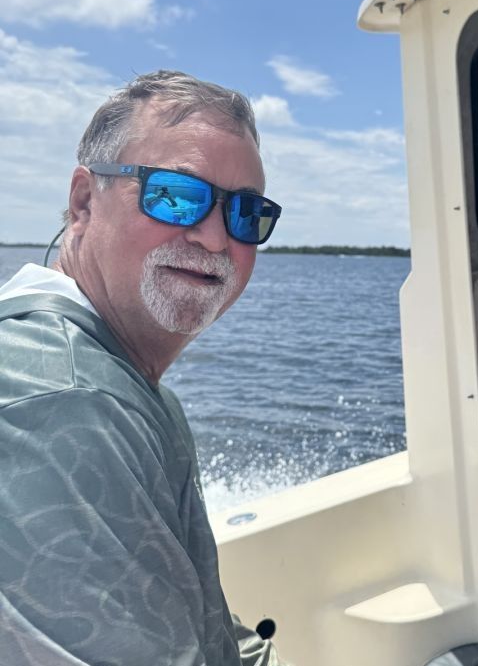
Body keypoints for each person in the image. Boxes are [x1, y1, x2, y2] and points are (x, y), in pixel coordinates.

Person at [0, 71, 285, 665]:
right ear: (84, 201)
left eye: (245, 213)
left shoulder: (112, 377)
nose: (215, 238)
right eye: (176, 194)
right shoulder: (63, 403)